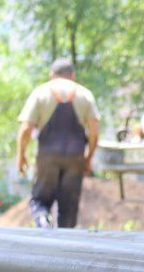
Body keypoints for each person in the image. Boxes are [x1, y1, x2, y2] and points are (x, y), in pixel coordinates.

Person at [16, 58, 101, 228]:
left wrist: (21, 156)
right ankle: (65, 246)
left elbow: (26, 129)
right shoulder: (85, 94)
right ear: (73, 75)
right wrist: (88, 157)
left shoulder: (41, 92)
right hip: (75, 157)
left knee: (40, 202)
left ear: (51, 75)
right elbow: (94, 132)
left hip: (47, 157)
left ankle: (44, 225)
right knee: (68, 208)